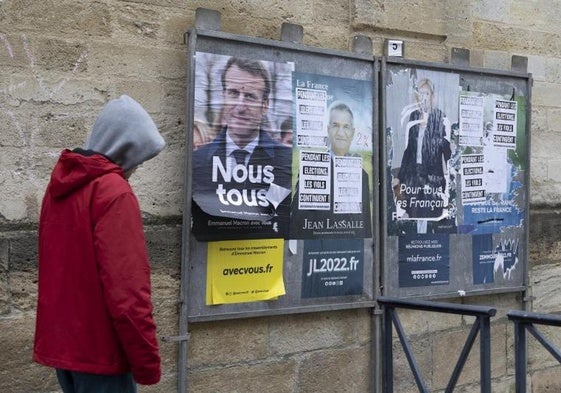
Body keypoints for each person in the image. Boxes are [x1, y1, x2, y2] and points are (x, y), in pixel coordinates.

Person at [33, 95, 165, 393]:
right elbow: (128, 293)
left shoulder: (61, 185)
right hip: (101, 355)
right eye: (139, 160)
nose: (136, 169)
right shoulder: (114, 192)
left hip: (64, 349)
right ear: (126, 150)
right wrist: (147, 364)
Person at [191, 57, 292, 240]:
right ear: (223, 96)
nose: (240, 106)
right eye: (233, 93)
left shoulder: (286, 161)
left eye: (250, 96)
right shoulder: (199, 161)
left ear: (265, 105)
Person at [290, 101, 372, 239]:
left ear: (352, 133)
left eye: (346, 127)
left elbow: (365, 228)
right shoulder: (313, 169)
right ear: (328, 130)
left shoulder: (361, 175)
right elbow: (296, 224)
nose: (341, 133)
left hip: (351, 254)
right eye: (335, 125)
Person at [394, 78, 451, 230]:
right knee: (412, 218)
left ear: (433, 96)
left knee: (431, 220)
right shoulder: (413, 117)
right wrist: (399, 178)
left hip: (432, 181)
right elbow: (409, 151)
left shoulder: (440, 118)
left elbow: (447, 153)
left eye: (426, 93)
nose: (423, 97)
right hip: (413, 179)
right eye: (420, 94)